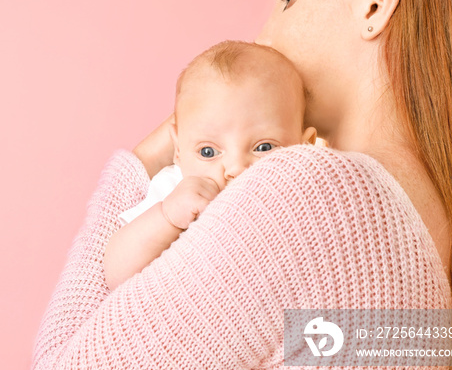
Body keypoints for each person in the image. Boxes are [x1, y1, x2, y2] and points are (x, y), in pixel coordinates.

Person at [28, 0, 452, 370]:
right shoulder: (444, 222)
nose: (264, 35)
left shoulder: (310, 194)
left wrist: (139, 166)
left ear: (375, 3)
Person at [104, 41, 316, 291]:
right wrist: (167, 217)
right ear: (179, 151)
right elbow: (115, 273)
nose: (236, 169)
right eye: (208, 152)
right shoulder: (175, 190)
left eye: (264, 147)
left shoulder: (301, 197)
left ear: (307, 147)